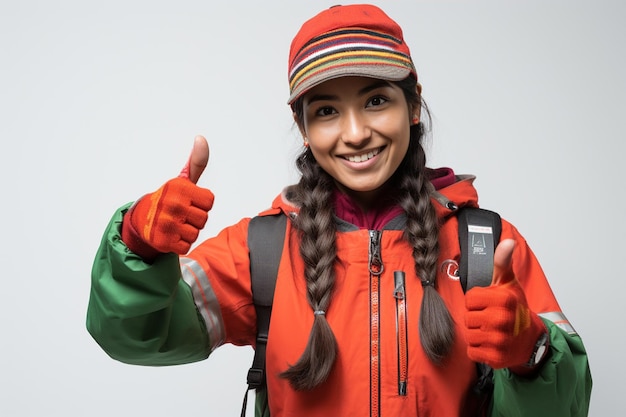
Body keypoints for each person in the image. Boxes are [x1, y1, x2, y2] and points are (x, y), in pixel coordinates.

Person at [86, 4, 592, 416]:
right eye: (326, 110)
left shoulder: (488, 247)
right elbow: (133, 339)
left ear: (413, 104)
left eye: (376, 101)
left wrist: (534, 353)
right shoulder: (261, 252)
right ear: (302, 125)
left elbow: (569, 405)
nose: (354, 133)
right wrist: (137, 245)